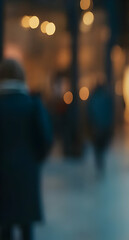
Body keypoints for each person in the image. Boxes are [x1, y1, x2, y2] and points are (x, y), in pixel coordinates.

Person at [0, 59, 53, 240]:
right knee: (26, 228)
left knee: (4, 227)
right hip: (26, 173)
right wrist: (34, 159)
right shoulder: (32, 104)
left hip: (2, 174)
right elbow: (45, 138)